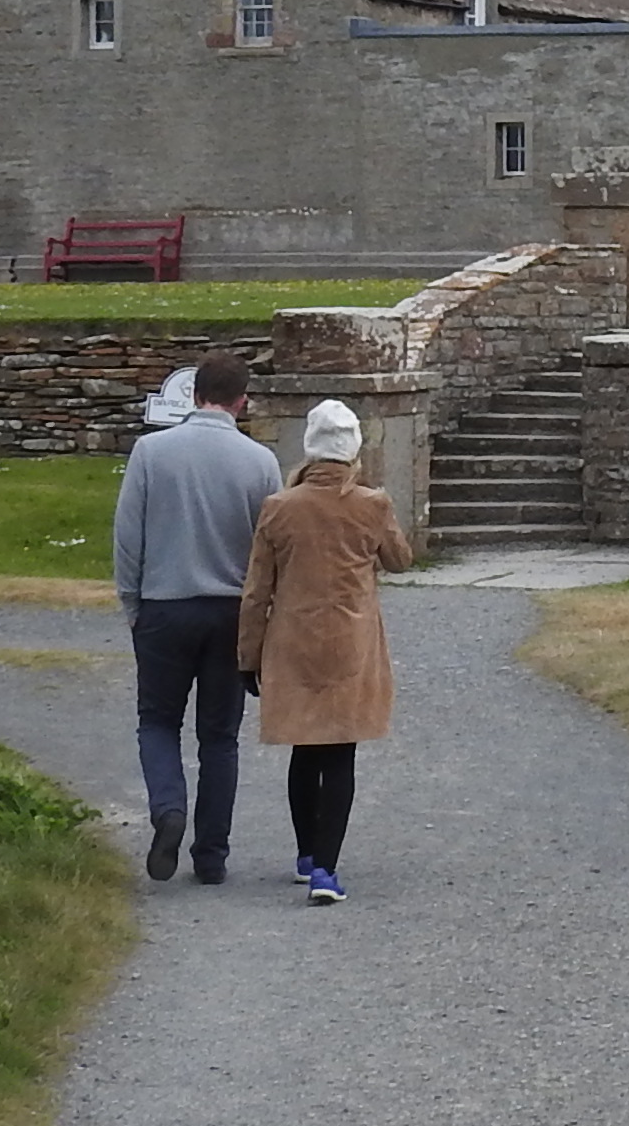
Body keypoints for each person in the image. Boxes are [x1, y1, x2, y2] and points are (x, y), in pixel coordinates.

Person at [109, 349, 280, 884]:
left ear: (195, 394)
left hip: (165, 604)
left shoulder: (151, 452)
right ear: (241, 402)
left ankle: (168, 808)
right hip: (230, 611)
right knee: (219, 737)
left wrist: (133, 604)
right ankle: (211, 855)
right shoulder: (261, 462)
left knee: (158, 721)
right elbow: (268, 551)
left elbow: (128, 537)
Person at [239, 395, 409, 904]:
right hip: (350, 642)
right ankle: (326, 871)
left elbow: (257, 590)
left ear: (310, 450)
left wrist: (248, 655)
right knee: (340, 752)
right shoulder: (371, 505)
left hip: (293, 641)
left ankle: (307, 853)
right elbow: (400, 559)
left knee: (305, 748)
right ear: (352, 449)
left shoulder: (280, 508)